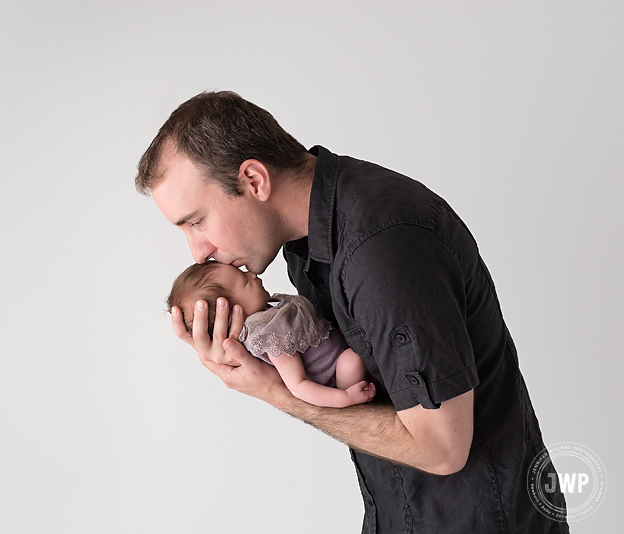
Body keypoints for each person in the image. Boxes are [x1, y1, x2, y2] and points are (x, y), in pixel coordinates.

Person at [136, 90, 568, 533]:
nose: (198, 253)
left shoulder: (381, 249)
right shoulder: (308, 243)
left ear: (253, 180)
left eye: (196, 221)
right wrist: (250, 352)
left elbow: (443, 448)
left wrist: (275, 391)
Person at [168, 261, 377, 408]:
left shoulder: (272, 311)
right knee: (352, 360)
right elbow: (298, 385)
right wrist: (345, 398)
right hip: (335, 378)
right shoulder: (270, 335)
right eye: (245, 281)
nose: (253, 274)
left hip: (339, 347)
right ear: (232, 313)